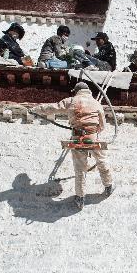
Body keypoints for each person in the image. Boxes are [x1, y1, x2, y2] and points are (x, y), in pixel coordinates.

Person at [30, 82, 113, 210]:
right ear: (88, 91)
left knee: (80, 169)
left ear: (77, 91)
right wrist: (94, 132)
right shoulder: (96, 103)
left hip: (77, 138)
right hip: (93, 137)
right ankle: (108, 187)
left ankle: (80, 198)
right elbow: (102, 126)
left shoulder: (71, 101)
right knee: (102, 161)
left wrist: (35, 109)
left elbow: (53, 108)